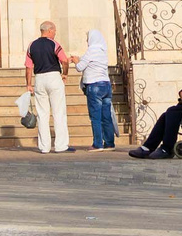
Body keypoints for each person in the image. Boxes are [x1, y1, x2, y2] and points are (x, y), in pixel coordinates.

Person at [26, 20, 72, 154]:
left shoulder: (31, 45)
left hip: (39, 78)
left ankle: (44, 146)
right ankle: (60, 145)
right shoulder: (54, 44)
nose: (55, 33)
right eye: (55, 31)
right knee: (59, 112)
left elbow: (29, 67)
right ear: (50, 30)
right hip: (54, 77)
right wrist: (65, 74)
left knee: (42, 114)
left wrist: (28, 84)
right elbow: (64, 60)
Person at [80, 27, 117, 150]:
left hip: (94, 85)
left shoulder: (91, 51)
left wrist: (75, 60)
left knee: (95, 116)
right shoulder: (103, 51)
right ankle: (109, 142)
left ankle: (97, 143)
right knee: (106, 116)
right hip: (106, 85)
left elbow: (80, 67)